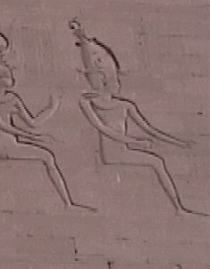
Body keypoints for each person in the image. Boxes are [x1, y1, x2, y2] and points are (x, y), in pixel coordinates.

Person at [70, 20, 206, 216]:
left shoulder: (124, 105)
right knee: (156, 162)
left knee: (157, 162)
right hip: (113, 154)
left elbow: (149, 129)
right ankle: (178, 209)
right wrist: (134, 141)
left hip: (123, 148)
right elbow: (103, 129)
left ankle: (178, 208)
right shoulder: (88, 102)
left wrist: (179, 142)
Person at [0, 18, 93, 212]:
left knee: (48, 156)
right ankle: (67, 204)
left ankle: (67, 203)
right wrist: (29, 136)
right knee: (46, 157)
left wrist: (52, 107)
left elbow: (33, 122)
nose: (11, 78)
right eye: (6, 74)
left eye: (9, 74)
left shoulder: (12, 98)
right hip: (1, 146)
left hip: (12, 143)